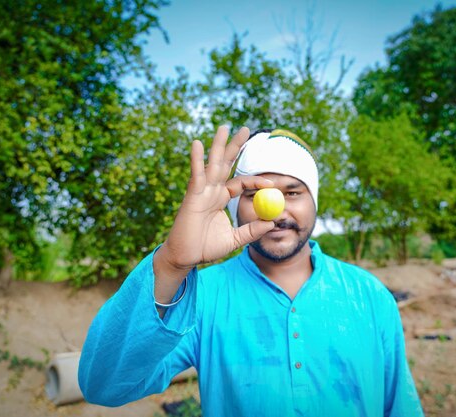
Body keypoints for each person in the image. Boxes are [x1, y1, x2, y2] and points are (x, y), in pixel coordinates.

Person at [78, 126, 424, 416]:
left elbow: (402, 407)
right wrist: (171, 264)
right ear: (234, 206)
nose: (275, 211)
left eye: (293, 192)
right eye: (256, 194)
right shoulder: (204, 296)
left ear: (314, 201)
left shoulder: (368, 294)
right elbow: (104, 386)